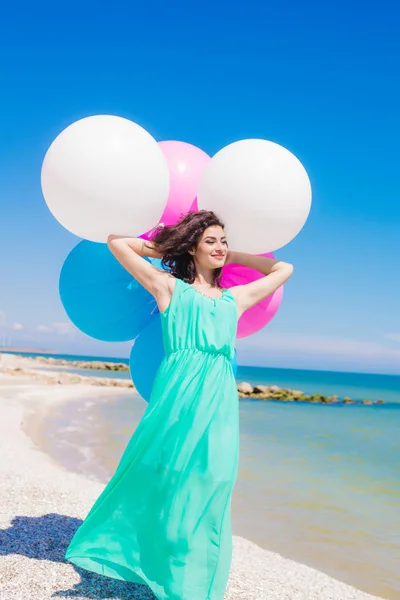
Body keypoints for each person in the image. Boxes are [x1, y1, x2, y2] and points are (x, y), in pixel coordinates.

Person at [65, 210, 293, 599]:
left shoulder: (233, 299)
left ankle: (193, 582)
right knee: (162, 474)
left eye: (223, 240)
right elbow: (117, 243)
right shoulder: (168, 288)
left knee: (213, 480)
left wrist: (231, 255)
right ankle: (150, 562)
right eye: (211, 241)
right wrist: (172, 249)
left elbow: (282, 268)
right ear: (193, 248)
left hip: (218, 400)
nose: (220, 247)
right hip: (176, 396)